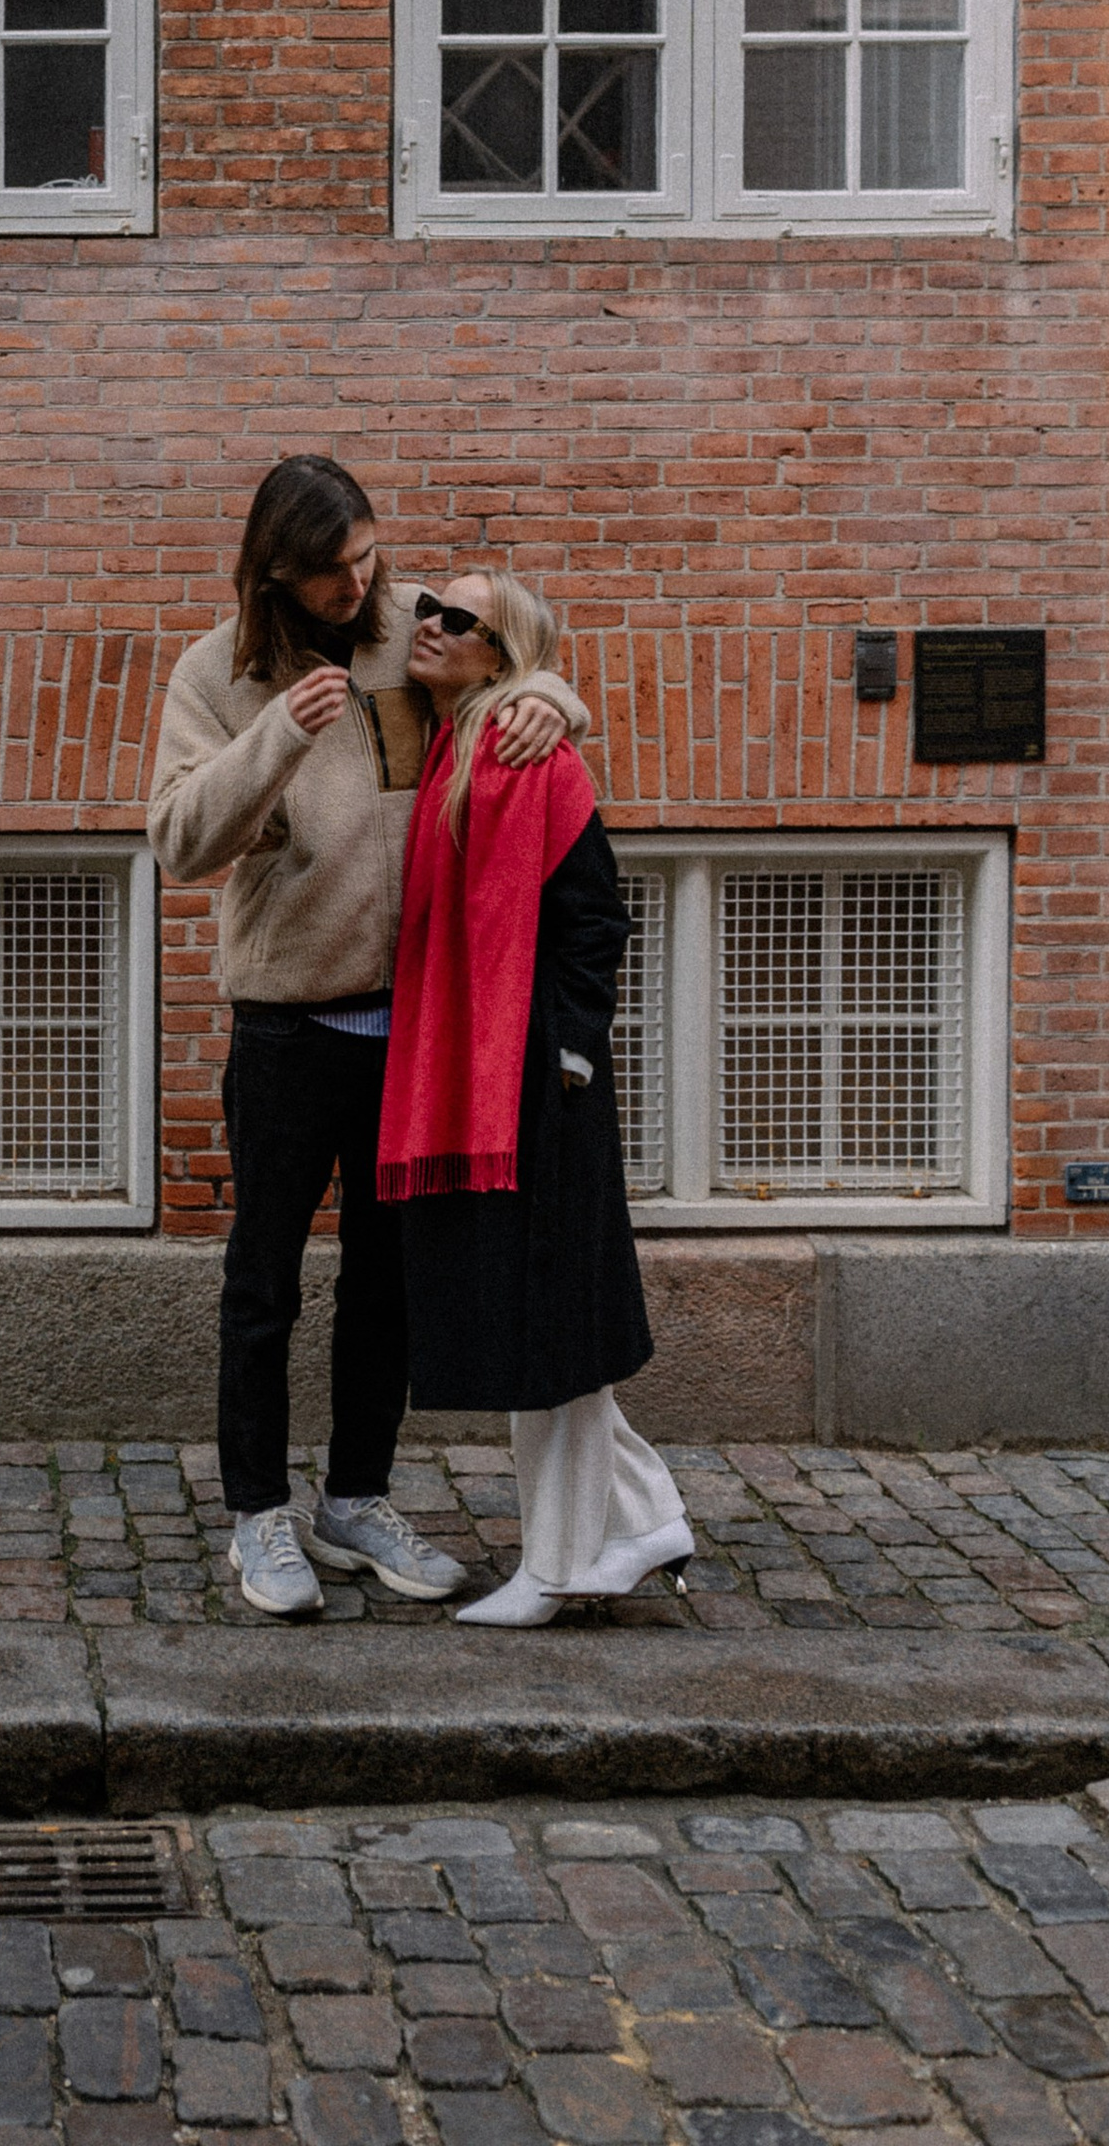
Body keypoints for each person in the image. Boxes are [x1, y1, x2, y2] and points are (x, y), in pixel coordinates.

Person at [148, 456, 590, 1620]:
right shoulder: (216, 672)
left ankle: (355, 1497)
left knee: (384, 1283)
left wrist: (558, 700)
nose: (359, 584)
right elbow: (179, 840)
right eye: (332, 571)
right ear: (276, 572)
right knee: (264, 1282)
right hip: (289, 1028)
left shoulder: (408, 636)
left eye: (365, 556)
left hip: (410, 1033)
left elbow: (516, 661)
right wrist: (272, 739)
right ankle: (259, 1513)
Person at [380, 568, 693, 1625]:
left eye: (457, 618)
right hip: (480, 1072)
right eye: (428, 604)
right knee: (543, 1325)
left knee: (550, 1329)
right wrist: (553, 686)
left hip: (534, 1082)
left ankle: (557, 1567)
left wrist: (568, 1061)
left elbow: (594, 920)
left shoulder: (533, 757)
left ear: (499, 654)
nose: (429, 622)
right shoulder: (452, 743)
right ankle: (645, 1519)